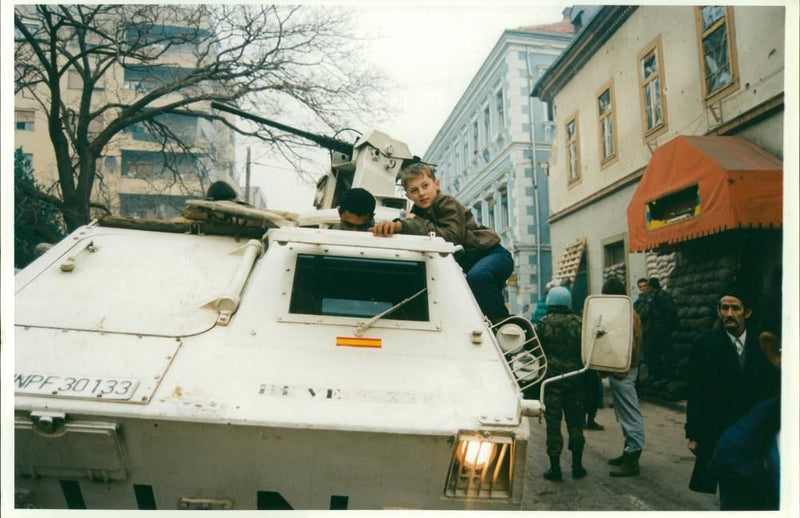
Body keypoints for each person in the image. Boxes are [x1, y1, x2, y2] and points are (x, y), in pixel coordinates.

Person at [371, 162, 513, 323]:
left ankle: (503, 326)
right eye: (414, 190)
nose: (421, 193)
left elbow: (452, 238)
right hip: (472, 263)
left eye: (425, 186)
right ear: (408, 196)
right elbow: (416, 230)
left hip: (492, 254)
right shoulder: (417, 213)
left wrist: (410, 224)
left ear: (436, 184)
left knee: (477, 278)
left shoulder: (446, 202)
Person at [684, 289, 780, 504]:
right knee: (731, 489)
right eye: (724, 308)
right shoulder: (704, 345)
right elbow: (696, 391)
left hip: (758, 429)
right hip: (721, 428)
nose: (729, 314)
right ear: (718, 311)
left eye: (735, 308)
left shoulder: (763, 343)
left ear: (747, 312)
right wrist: (693, 434)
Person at [534, 286, 586, 482]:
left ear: (550, 301)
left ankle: (555, 468)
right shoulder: (579, 323)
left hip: (551, 382)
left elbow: (535, 351)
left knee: (553, 425)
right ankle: (577, 466)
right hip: (575, 381)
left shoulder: (542, 324)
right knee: (576, 424)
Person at [601, 277, 645, 477]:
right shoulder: (627, 312)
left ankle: (633, 458)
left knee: (629, 414)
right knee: (624, 413)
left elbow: (628, 346)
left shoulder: (626, 315)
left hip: (623, 370)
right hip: (621, 369)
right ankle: (628, 452)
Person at [643, 277, 678, 385]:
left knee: (667, 354)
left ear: (651, 287)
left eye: (648, 286)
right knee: (658, 353)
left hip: (663, 331)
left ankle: (669, 376)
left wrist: (667, 328)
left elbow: (669, 313)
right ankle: (660, 375)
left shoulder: (662, 296)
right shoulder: (656, 297)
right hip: (658, 332)